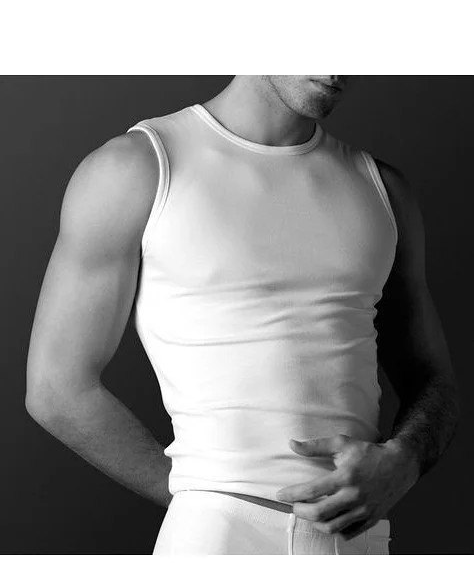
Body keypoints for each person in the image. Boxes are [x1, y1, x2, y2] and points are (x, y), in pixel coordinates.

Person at [25, 75, 460, 554]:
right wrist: (198, 498)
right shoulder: (138, 166)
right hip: (219, 536)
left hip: (357, 542)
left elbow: (433, 380)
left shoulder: (382, 190)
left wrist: (404, 460)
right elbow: (56, 389)